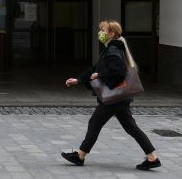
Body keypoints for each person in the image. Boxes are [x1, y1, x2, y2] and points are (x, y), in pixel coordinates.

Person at [61, 19, 162, 171]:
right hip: (120, 97)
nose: (100, 33)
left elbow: (117, 72)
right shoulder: (111, 49)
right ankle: (152, 157)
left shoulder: (113, 51)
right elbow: (95, 67)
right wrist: (79, 80)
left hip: (114, 98)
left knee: (94, 123)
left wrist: (99, 75)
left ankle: (80, 155)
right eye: (100, 30)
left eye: (103, 30)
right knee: (131, 127)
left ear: (111, 34)